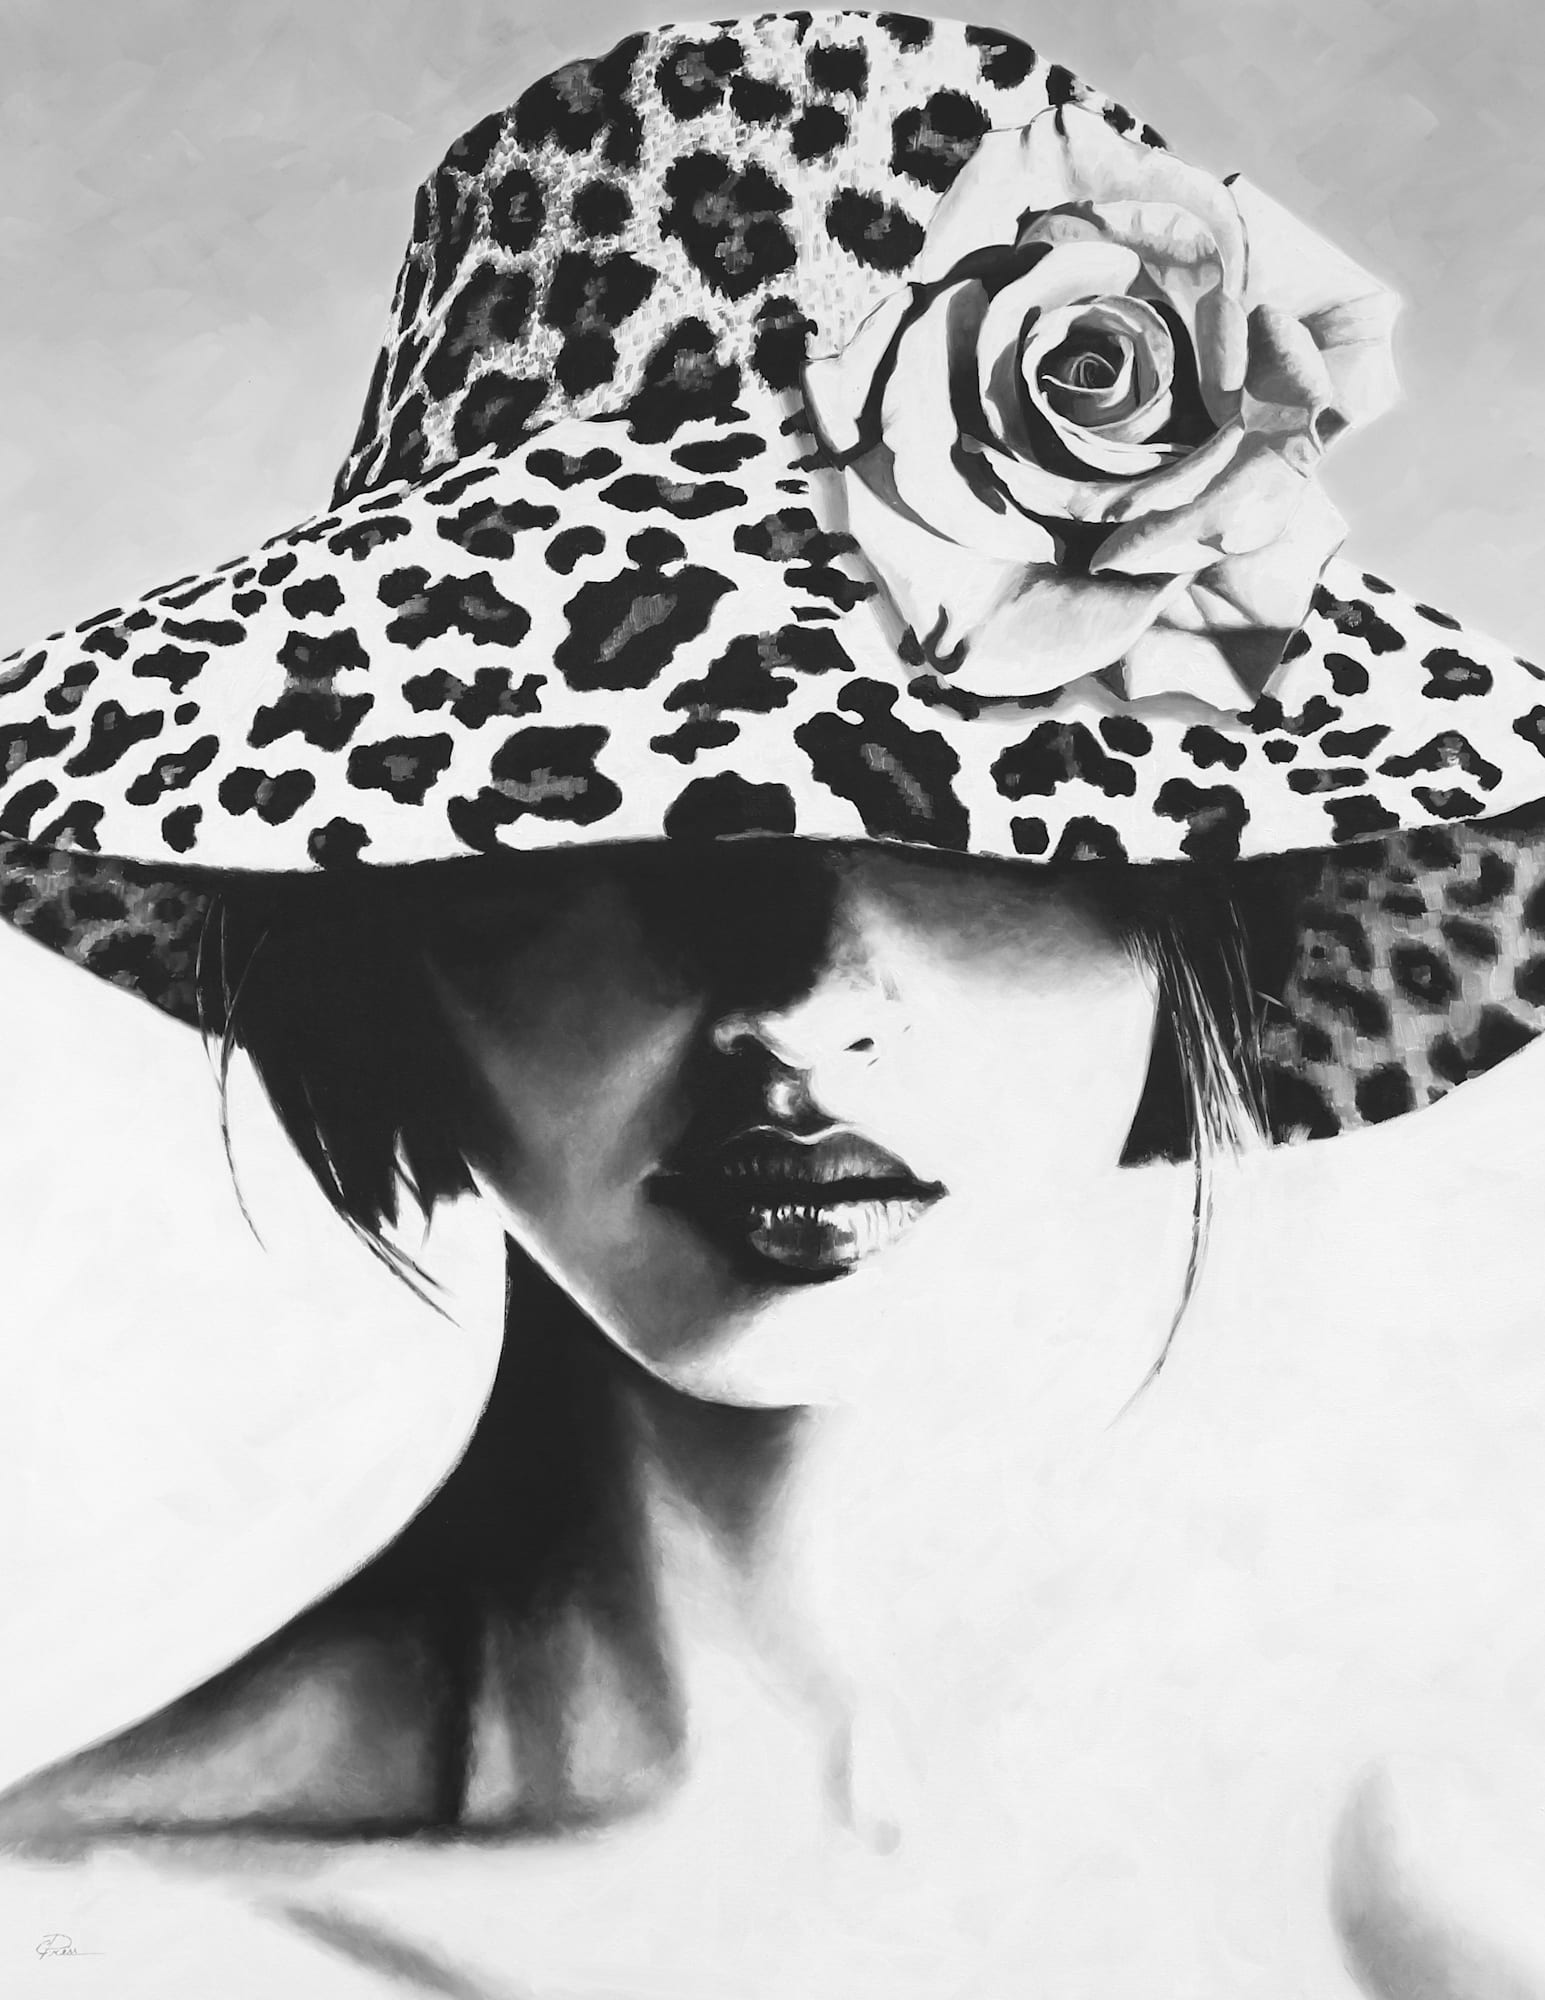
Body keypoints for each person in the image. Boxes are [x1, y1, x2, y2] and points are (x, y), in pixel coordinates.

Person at [5, 10, 1545, 1991]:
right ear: (383, 910)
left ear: (1195, 906)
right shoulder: (108, 1947)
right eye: (618, 813)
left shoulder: (1403, 1843)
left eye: (990, 817)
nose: (797, 997)